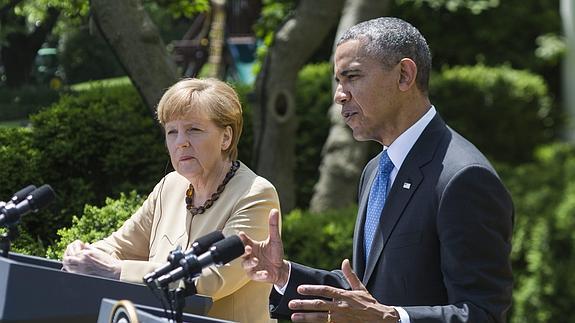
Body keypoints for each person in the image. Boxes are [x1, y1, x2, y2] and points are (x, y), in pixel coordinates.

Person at [240, 17, 513, 323]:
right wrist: (284, 274)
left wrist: (393, 318)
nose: (339, 95)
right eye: (338, 81)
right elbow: (366, 295)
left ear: (404, 75)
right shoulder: (375, 171)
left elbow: (482, 313)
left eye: (352, 77)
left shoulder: (464, 178)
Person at [62, 78, 280, 323]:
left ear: (226, 138)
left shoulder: (256, 195)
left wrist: (117, 271)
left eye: (194, 130)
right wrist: (85, 255)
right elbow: (120, 245)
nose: (181, 142)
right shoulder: (169, 186)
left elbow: (212, 279)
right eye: (172, 132)